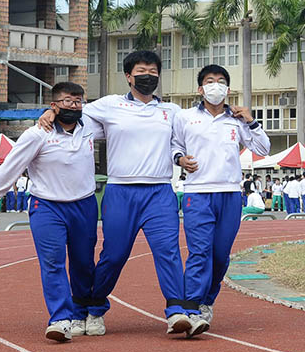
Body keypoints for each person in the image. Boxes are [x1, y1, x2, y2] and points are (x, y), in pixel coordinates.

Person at [40, 49, 195, 336]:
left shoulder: (170, 111)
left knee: (168, 251)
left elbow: (177, 144)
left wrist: (180, 159)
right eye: (141, 72)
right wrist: (50, 111)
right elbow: (73, 111)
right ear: (128, 76)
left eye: (153, 72)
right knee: (114, 255)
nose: (147, 76)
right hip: (121, 191)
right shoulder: (110, 105)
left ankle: (177, 311)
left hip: (159, 191)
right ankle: (93, 306)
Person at [0, 82, 102, 342]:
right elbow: (11, 166)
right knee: (53, 262)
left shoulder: (91, 127)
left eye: (78, 101)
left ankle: (82, 311)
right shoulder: (37, 134)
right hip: (47, 207)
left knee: (83, 262)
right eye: (67, 101)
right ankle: (61, 319)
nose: (73, 106)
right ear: (53, 105)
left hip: (84, 205)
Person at [172, 64, 271, 334]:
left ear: (227, 89)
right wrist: (179, 159)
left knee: (220, 256)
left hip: (229, 194)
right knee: (199, 252)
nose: (215, 86)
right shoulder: (185, 116)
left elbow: (263, 148)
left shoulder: (236, 119)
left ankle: (206, 301)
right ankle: (190, 308)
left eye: (220, 82)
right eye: (209, 81)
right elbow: (175, 145)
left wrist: (251, 121)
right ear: (200, 88)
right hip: (197, 193)